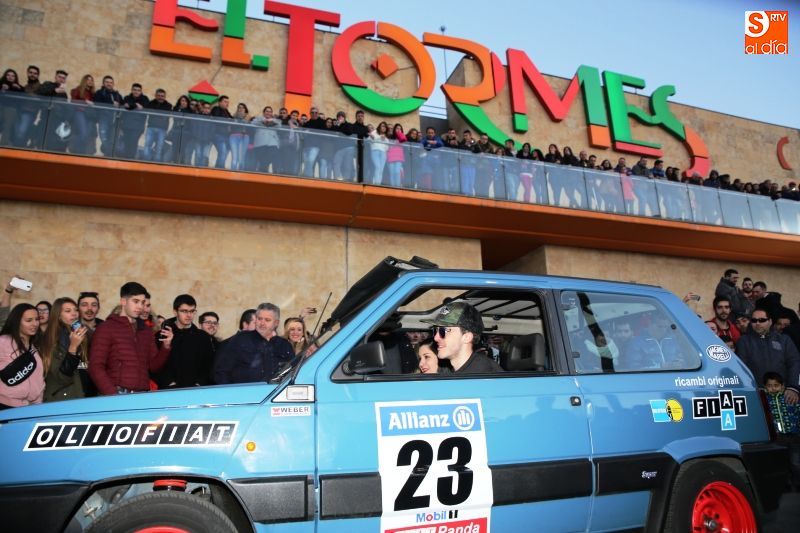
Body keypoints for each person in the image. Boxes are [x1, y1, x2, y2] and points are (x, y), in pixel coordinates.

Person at [88, 282, 172, 395]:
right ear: (123, 301)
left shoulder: (146, 331)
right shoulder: (106, 328)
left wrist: (165, 347)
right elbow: (95, 366)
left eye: (142, 302)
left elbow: (153, 367)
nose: (140, 307)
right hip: (117, 393)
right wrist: (113, 394)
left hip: (142, 394)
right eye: (135, 301)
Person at [214, 303, 294, 384]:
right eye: (259, 319)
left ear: (276, 323)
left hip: (275, 394)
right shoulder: (240, 340)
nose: (262, 323)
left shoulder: (284, 345)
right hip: (244, 393)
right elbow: (221, 371)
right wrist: (231, 393)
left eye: (267, 320)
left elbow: (292, 373)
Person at [736, 309, 800, 403]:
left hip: (785, 394)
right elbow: (741, 368)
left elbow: (794, 363)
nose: (757, 323)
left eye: (762, 320)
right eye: (754, 320)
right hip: (757, 395)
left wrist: (793, 387)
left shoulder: (784, 340)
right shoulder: (744, 341)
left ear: (770, 321)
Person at [153, 294, 215, 389]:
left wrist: (199, 383)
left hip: (195, 391)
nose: (189, 315)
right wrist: (168, 382)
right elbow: (155, 363)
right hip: (168, 391)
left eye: (192, 311)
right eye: (184, 311)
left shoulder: (203, 337)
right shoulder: (162, 335)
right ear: (175, 312)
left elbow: (209, 365)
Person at [424, 301, 500, 374]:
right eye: (435, 330)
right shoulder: (452, 372)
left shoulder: (483, 376)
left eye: (443, 331)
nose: (436, 338)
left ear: (467, 337)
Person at [40, 297, 90, 402]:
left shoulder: (82, 334)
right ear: (58, 316)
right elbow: (62, 377)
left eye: (76, 310)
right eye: (68, 311)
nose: (74, 313)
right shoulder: (51, 340)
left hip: (83, 395)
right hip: (62, 398)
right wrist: (73, 347)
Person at [0, 303, 44, 408]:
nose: (35, 324)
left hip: (31, 408)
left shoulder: (36, 346)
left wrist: (38, 403)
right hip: (5, 406)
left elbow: (39, 379)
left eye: (36, 319)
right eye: (29, 320)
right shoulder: (3, 342)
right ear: (17, 322)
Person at [764, 371, 800, 491]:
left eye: (776, 385)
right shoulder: (766, 401)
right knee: (781, 462)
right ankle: (786, 484)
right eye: (769, 386)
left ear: (782, 386)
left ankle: (798, 483)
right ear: (765, 387)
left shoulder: (789, 398)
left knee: (795, 462)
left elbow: (798, 412)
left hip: (794, 436)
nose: (773, 388)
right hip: (778, 438)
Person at [93, 75, 124, 156]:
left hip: (115, 122)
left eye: (111, 82)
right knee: (104, 140)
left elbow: (123, 105)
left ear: (113, 84)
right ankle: (107, 157)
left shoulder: (117, 94)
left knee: (113, 141)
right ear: (103, 83)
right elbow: (97, 103)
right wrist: (111, 104)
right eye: (107, 82)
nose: (109, 84)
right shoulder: (99, 93)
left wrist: (120, 105)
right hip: (103, 120)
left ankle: (108, 157)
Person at [119, 83, 150, 159]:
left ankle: (130, 159)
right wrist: (135, 106)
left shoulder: (145, 99)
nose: (136, 92)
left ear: (141, 91)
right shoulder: (127, 97)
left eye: (138, 90)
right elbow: (125, 107)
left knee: (133, 142)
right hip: (126, 125)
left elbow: (147, 108)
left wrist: (131, 106)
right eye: (135, 90)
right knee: (126, 143)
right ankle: (126, 159)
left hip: (138, 127)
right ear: (132, 90)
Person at [68, 74, 96, 155]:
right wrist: (85, 102)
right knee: (82, 133)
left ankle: (81, 153)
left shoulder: (92, 93)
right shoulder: (78, 90)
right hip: (80, 112)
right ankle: (76, 151)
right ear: (84, 81)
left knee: (86, 135)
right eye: (88, 79)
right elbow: (73, 100)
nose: (90, 81)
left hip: (89, 115)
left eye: (92, 80)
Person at [143, 88, 173, 162]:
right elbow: (145, 110)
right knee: (147, 145)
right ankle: (147, 161)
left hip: (162, 129)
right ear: (155, 95)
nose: (160, 97)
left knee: (159, 147)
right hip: (151, 127)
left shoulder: (168, 105)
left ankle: (156, 162)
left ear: (165, 97)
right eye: (159, 95)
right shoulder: (151, 103)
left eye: (162, 96)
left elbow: (166, 116)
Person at [229, 102, 250, 171]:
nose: (240, 109)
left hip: (244, 138)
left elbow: (250, 130)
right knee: (234, 158)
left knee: (242, 158)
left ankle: (241, 175)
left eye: (242, 107)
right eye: (239, 107)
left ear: (245, 109)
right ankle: (232, 174)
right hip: (233, 137)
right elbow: (230, 128)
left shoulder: (248, 118)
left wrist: (245, 120)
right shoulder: (233, 117)